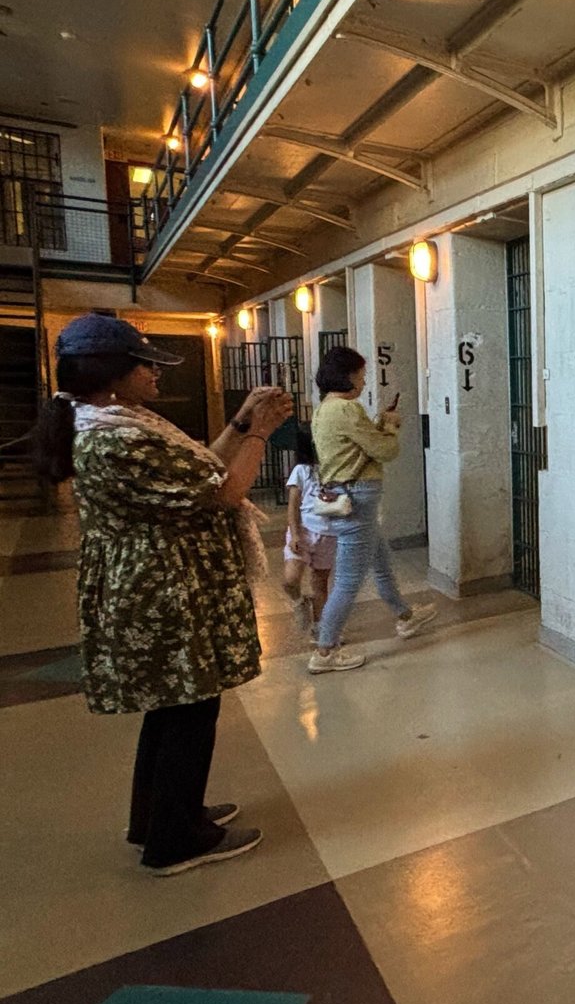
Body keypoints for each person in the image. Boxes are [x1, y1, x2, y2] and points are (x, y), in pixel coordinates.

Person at [33, 313, 294, 876]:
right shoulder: (118, 439)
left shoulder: (117, 419)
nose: (156, 374)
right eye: (146, 365)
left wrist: (242, 421)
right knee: (191, 706)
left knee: (175, 702)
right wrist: (260, 433)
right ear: (113, 373)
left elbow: (201, 464)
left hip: (161, 581)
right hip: (161, 589)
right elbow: (223, 491)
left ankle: (158, 817)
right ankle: (174, 841)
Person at [309, 346, 436, 674]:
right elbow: (385, 450)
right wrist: (391, 425)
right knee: (349, 580)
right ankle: (324, 651)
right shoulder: (348, 410)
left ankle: (405, 617)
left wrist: (378, 423)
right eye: (360, 376)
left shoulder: (324, 408)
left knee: (380, 561)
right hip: (358, 498)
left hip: (345, 495)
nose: (363, 382)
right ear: (347, 376)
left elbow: (358, 446)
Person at [283, 428, 336, 632]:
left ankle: (320, 627)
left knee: (319, 583)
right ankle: (299, 602)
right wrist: (295, 533)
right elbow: (293, 505)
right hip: (304, 531)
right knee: (290, 579)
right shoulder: (302, 470)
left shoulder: (336, 469)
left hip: (328, 533)